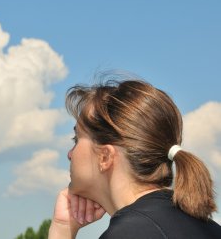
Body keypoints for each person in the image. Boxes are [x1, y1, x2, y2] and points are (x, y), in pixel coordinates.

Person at [48, 78, 221, 238]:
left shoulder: (129, 233)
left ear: (105, 157)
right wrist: (63, 227)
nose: (70, 154)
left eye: (77, 139)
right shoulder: (207, 227)